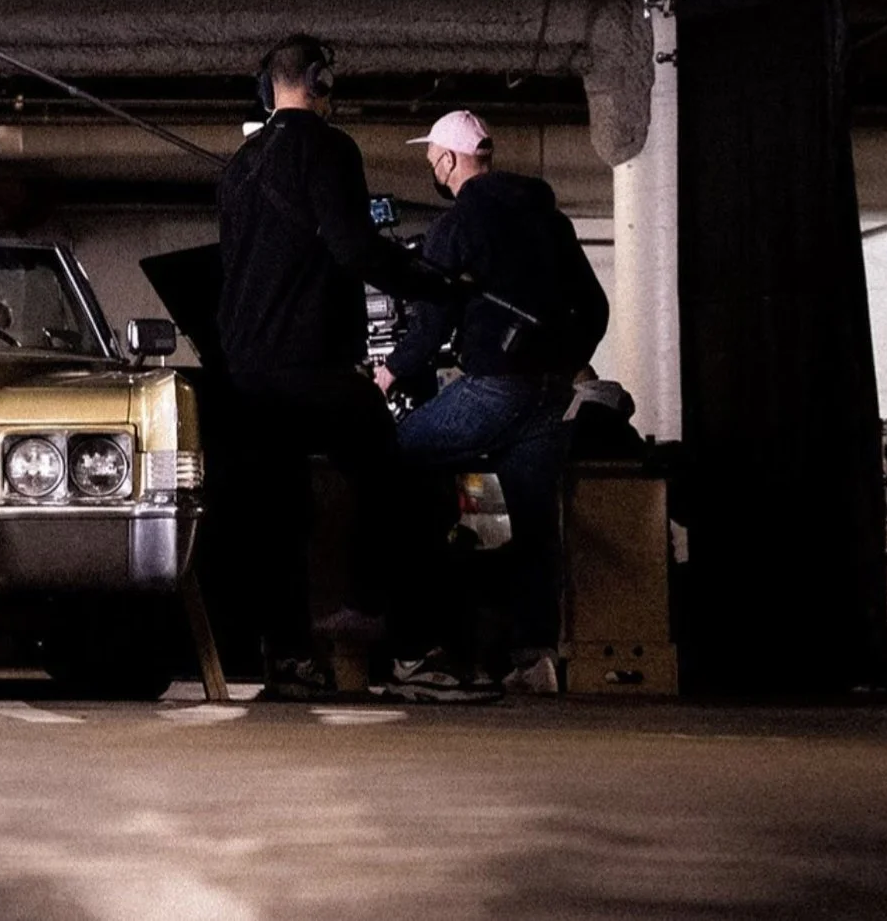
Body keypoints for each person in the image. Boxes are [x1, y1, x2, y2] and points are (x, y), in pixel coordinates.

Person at [217, 34, 445, 697]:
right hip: (311, 366)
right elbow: (353, 248)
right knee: (395, 471)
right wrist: (431, 280)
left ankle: (285, 654)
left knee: (274, 508)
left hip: (245, 371)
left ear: (269, 87)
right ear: (319, 80)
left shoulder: (240, 164)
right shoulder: (330, 148)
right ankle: (393, 631)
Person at [376, 109, 610, 699]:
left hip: (494, 387)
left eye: (432, 158)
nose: (431, 166)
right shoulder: (549, 220)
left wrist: (387, 374)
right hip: (552, 395)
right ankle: (534, 659)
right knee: (533, 525)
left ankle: (424, 646)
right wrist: (563, 358)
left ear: (451, 161)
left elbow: (431, 324)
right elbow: (597, 307)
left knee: (396, 462)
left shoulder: (456, 225)